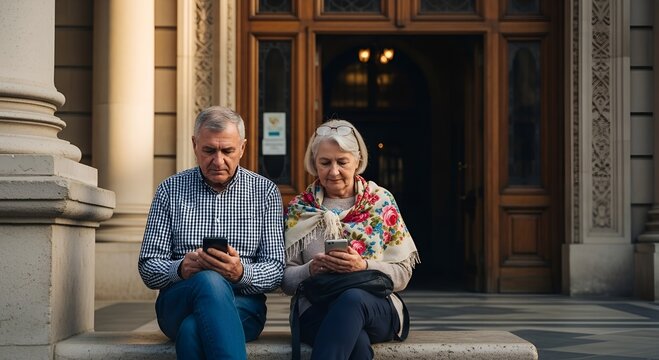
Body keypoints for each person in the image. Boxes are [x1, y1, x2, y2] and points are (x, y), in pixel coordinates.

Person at [138, 106, 285, 360]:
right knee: (209, 280)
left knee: (191, 330)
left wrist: (240, 272)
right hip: (178, 302)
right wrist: (182, 268)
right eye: (209, 151)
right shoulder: (170, 191)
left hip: (244, 307)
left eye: (227, 151)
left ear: (243, 148)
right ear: (195, 145)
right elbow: (148, 266)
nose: (218, 161)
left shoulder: (265, 193)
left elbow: (276, 269)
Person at [282, 119, 420, 359]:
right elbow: (285, 280)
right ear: (314, 164)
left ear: (358, 162)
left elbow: (402, 274)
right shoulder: (300, 208)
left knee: (352, 299)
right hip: (316, 308)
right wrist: (311, 269)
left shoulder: (381, 202)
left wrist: (363, 266)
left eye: (342, 162)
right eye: (325, 162)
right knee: (356, 341)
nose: (333, 171)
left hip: (375, 306)